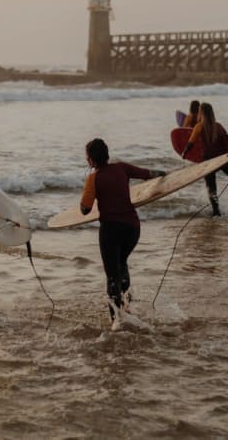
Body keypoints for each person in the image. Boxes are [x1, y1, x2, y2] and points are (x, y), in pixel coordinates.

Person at [79, 138, 165, 323]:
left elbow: (84, 209)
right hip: (132, 229)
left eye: (87, 158)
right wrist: (167, 174)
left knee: (112, 275)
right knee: (122, 262)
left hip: (111, 230)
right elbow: (149, 174)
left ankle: (117, 322)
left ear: (92, 160)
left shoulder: (94, 178)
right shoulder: (122, 168)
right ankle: (127, 305)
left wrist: (89, 192)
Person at [181, 102, 228, 217]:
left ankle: (216, 211)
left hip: (208, 160)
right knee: (225, 167)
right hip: (220, 158)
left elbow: (190, 143)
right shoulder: (219, 126)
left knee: (211, 186)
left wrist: (184, 153)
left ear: (201, 113)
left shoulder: (199, 126)